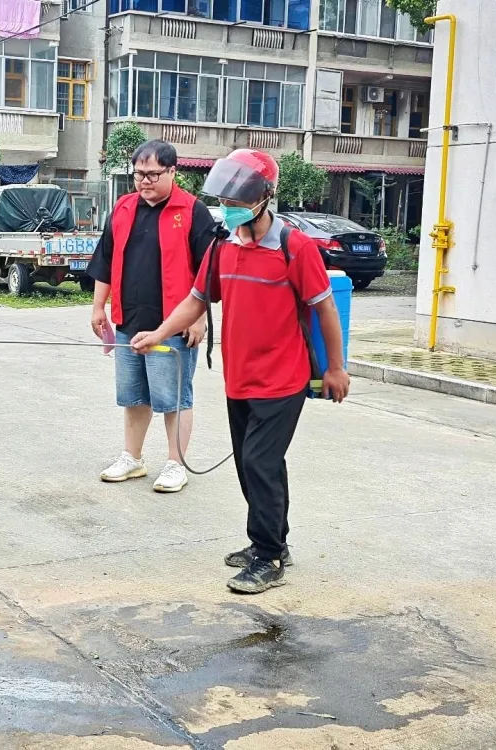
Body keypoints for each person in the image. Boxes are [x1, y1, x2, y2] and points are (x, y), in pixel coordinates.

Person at [131, 149, 351, 593]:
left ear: (264, 197)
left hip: (283, 379)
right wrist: (159, 330)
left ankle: (268, 558)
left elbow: (324, 308)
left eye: (238, 199)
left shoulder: (295, 247)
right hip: (240, 379)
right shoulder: (222, 247)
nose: (228, 208)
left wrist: (337, 369)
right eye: (225, 199)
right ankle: (274, 542)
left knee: (259, 462)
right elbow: (197, 300)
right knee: (255, 468)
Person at [87, 140, 218, 493]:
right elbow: (105, 261)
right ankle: (133, 457)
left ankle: (176, 463)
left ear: (173, 171)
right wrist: (100, 306)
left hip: (173, 324)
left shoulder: (192, 211)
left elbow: (208, 273)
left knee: (173, 397)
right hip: (129, 320)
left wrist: (198, 317)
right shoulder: (123, 208)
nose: (144, 182)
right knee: (133, 395)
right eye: (139, 174)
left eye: (153, 174)